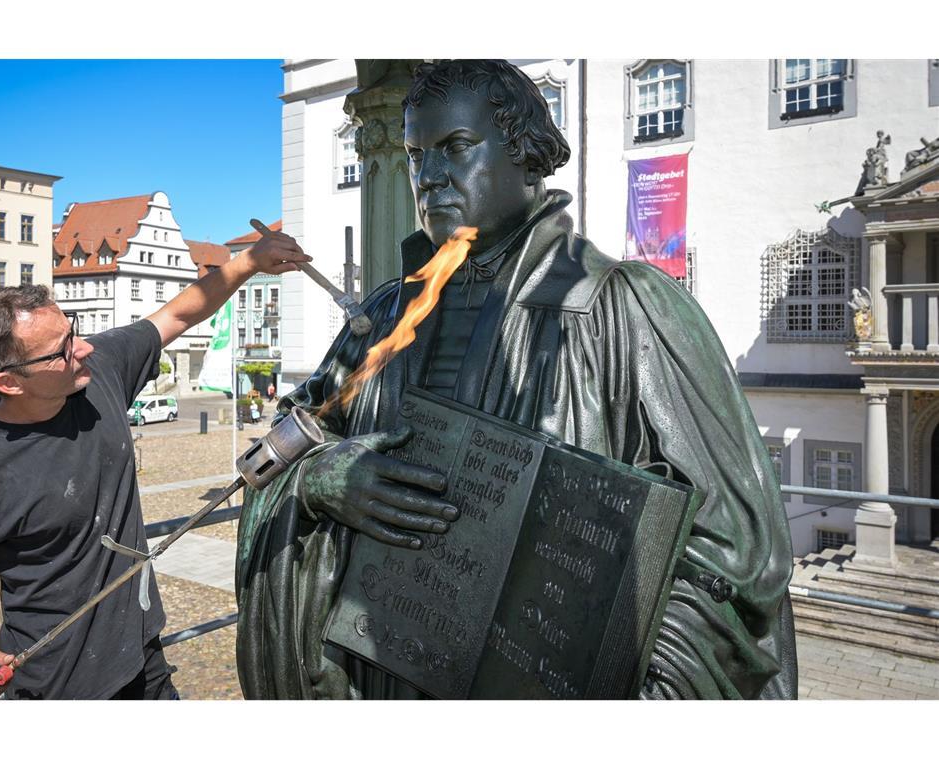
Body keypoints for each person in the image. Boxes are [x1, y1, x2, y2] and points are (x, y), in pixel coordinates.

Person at [235, 59, 796, 700]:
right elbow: (277, 458)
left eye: (457, 148)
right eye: (417, 155)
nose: (431, 176)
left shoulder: (626, 306)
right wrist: (320, 480)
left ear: (526, 156)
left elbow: (737, 548)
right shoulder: (385, 317)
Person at [0, 230, 309, 699]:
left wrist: (248, 262)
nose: (84, 347)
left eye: (72, 331)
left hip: (144, 660)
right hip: (57, 687)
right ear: (8, 382)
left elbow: (175, 314)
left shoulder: (97, 372)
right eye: (63, 349)